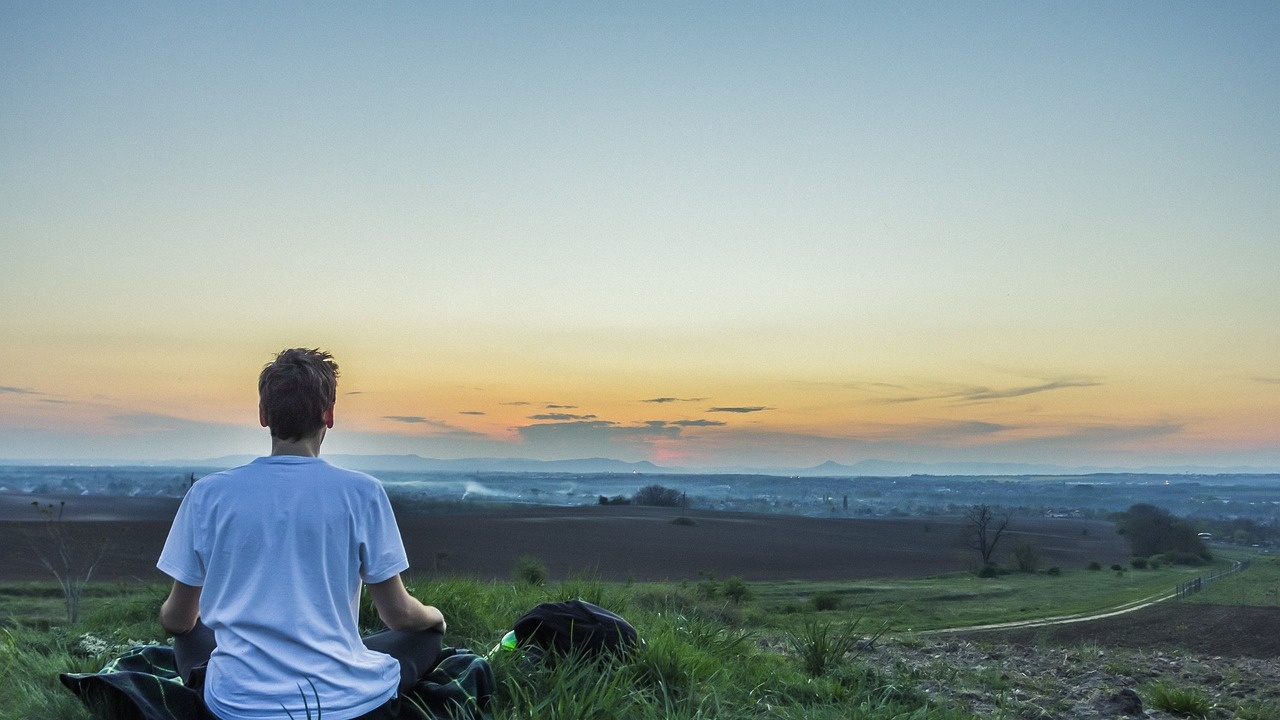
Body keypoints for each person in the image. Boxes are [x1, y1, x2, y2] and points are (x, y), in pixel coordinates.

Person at [157, 348, 446, 720]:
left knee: (190, 633)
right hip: (347, 706)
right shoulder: (362, 492)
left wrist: (179, 617)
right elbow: (399, 616)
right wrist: (435, 616)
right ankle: (346, 659)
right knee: (425, 635)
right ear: (329, 414)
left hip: (236, 707)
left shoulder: (208, 495)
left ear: (263, 416)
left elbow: (178, 620)